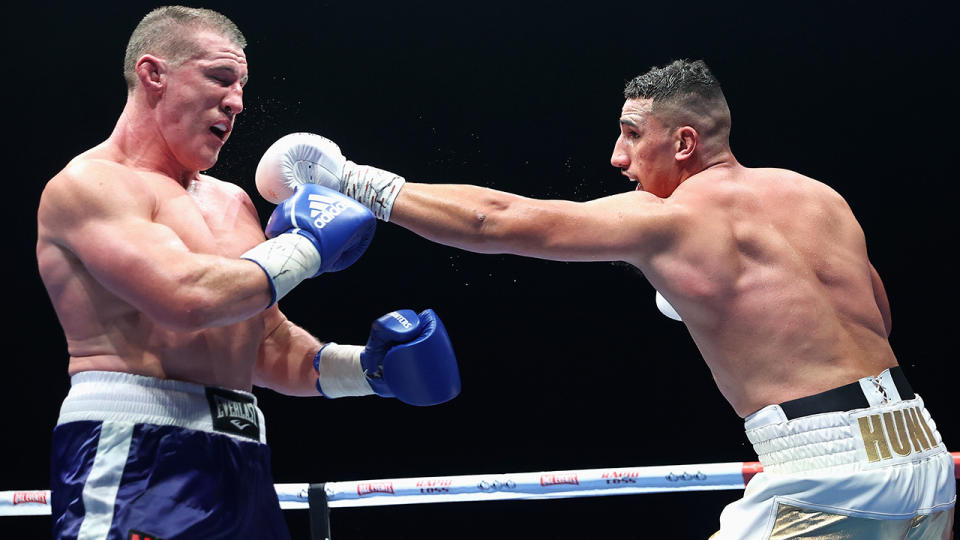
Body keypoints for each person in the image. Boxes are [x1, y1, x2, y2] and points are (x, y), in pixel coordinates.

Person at [255, 59, 955, 537]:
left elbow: (495, 220)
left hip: (827, 474)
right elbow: (875, 319)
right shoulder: (817, 195)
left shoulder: (672, 219)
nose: (618, 158)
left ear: (684, 141)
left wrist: (355, 182)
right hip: (924, 456)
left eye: (631, 134)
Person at [35, 6, 461, 539]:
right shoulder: (91, 185)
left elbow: (264, 342)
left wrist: (371, 371)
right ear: (153, 74)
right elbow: (184, 297)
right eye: (219, 78)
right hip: (136, 449)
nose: (235, 102)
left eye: (240, 86)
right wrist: (307, 247)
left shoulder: (232, 201)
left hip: (242, 458)